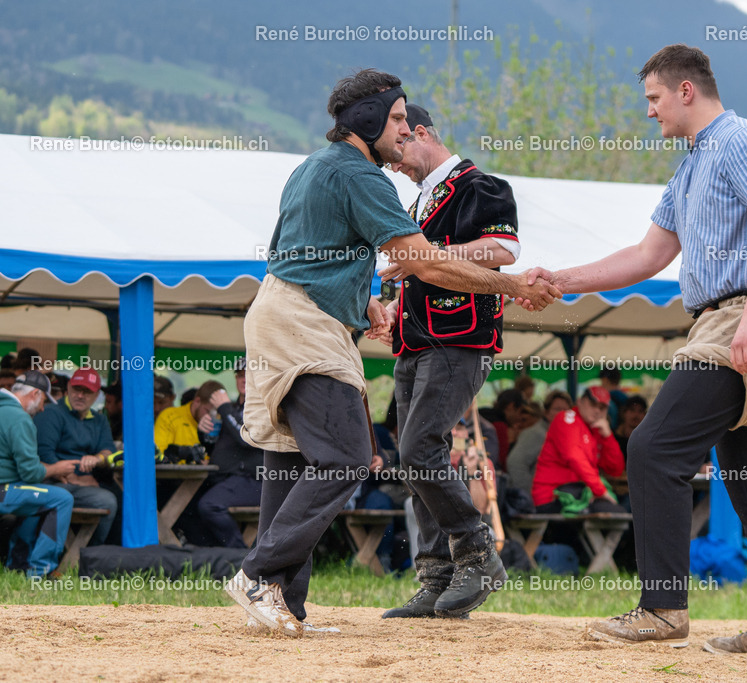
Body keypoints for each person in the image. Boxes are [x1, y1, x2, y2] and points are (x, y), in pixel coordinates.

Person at [227, 69, 558, 637]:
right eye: (398, 118)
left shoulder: (313, 166)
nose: (405, 131)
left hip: (280, 312)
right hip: (307, 324)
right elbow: (426, 263)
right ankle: (259, 574)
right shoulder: (363, 178)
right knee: (347, 456)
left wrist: (365, 307)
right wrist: (516, 287)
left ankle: (283, 604)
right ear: (370, 120)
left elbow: (312, 256)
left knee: (294, 458)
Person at [519, 43, 747, 652]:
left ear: (685, 90)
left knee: (653, 448)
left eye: (653, 98)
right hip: (721, 320)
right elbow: (647, 256)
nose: (648, 111)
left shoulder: (742, 140)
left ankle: (662, 608)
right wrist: (560, 280)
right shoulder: (688, 167)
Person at [373, 102, 524, 620]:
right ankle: (437, 577)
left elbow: (502, 250)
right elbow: (425, 269)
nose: (394, 165)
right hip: (416, 341)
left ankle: (478, 554)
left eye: (397, 153)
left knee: (419, 449)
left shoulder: (481, 186)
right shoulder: (421, 203)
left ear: (419, 133)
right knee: (415, 456)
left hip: (461, 342)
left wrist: (427, 258)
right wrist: (396, 303)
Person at [0, 371, 77, 576]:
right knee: (61, 498)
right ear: (34, 393)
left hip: (6, 489)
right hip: (3, 491)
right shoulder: (19, 418)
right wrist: (55, 469)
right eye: (43, 400)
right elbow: (31, 474)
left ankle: (18, 565)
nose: (43, 408)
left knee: (38, 497)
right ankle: (40, 571)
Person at [33, 368, 119, 545]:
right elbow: (44, 454)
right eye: (76, 389)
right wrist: (77, 479)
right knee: (96, 498)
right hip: (53, 481)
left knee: (114, 499)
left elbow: (108, 450)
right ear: (68, 388)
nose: (80, 395)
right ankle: (68, 555)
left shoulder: (99, 419)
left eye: (87, 391)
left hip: (83, 484)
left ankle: (91, 554)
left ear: (97, 395)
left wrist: (98, 458)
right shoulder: (51, 412)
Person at [195, 360, 263, 548]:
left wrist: (224, 409)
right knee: (189, 503)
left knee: (209, 505)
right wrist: (204, 433)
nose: (244, 378)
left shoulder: (262, 407)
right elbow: (218, 446)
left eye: (248, 374)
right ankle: (203, 557)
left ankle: (239, 557)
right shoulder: (231, 410)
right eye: (240, 375)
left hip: (255, 481)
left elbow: (247, 438)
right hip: (225, 478)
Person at [531, 386, 625, 514]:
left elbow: (615, 469)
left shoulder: (596, 430)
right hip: (553, 497)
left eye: (602, 407)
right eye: (593, 404)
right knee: (618, 515)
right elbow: (574, 457)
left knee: (624, 512)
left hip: (579, 496)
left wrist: (608, 437)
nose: (597, 410)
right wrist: (600, 491)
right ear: (580, 401)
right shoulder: (567, 418)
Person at [506, 389, 572, 491]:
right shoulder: (536, 434)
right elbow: (515, 463)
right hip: (538, 501)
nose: (562, 413)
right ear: (546, 412)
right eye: (558, 409)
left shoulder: (562, 435)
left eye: (566, 410)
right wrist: (532, 494)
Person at [154, 380, 226, 463]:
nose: (211, 418)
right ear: (197, 401)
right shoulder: (168, 416)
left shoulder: (218, 424)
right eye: (208, 411)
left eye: (217, 414)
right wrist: (179, 453)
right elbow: (158, 454)